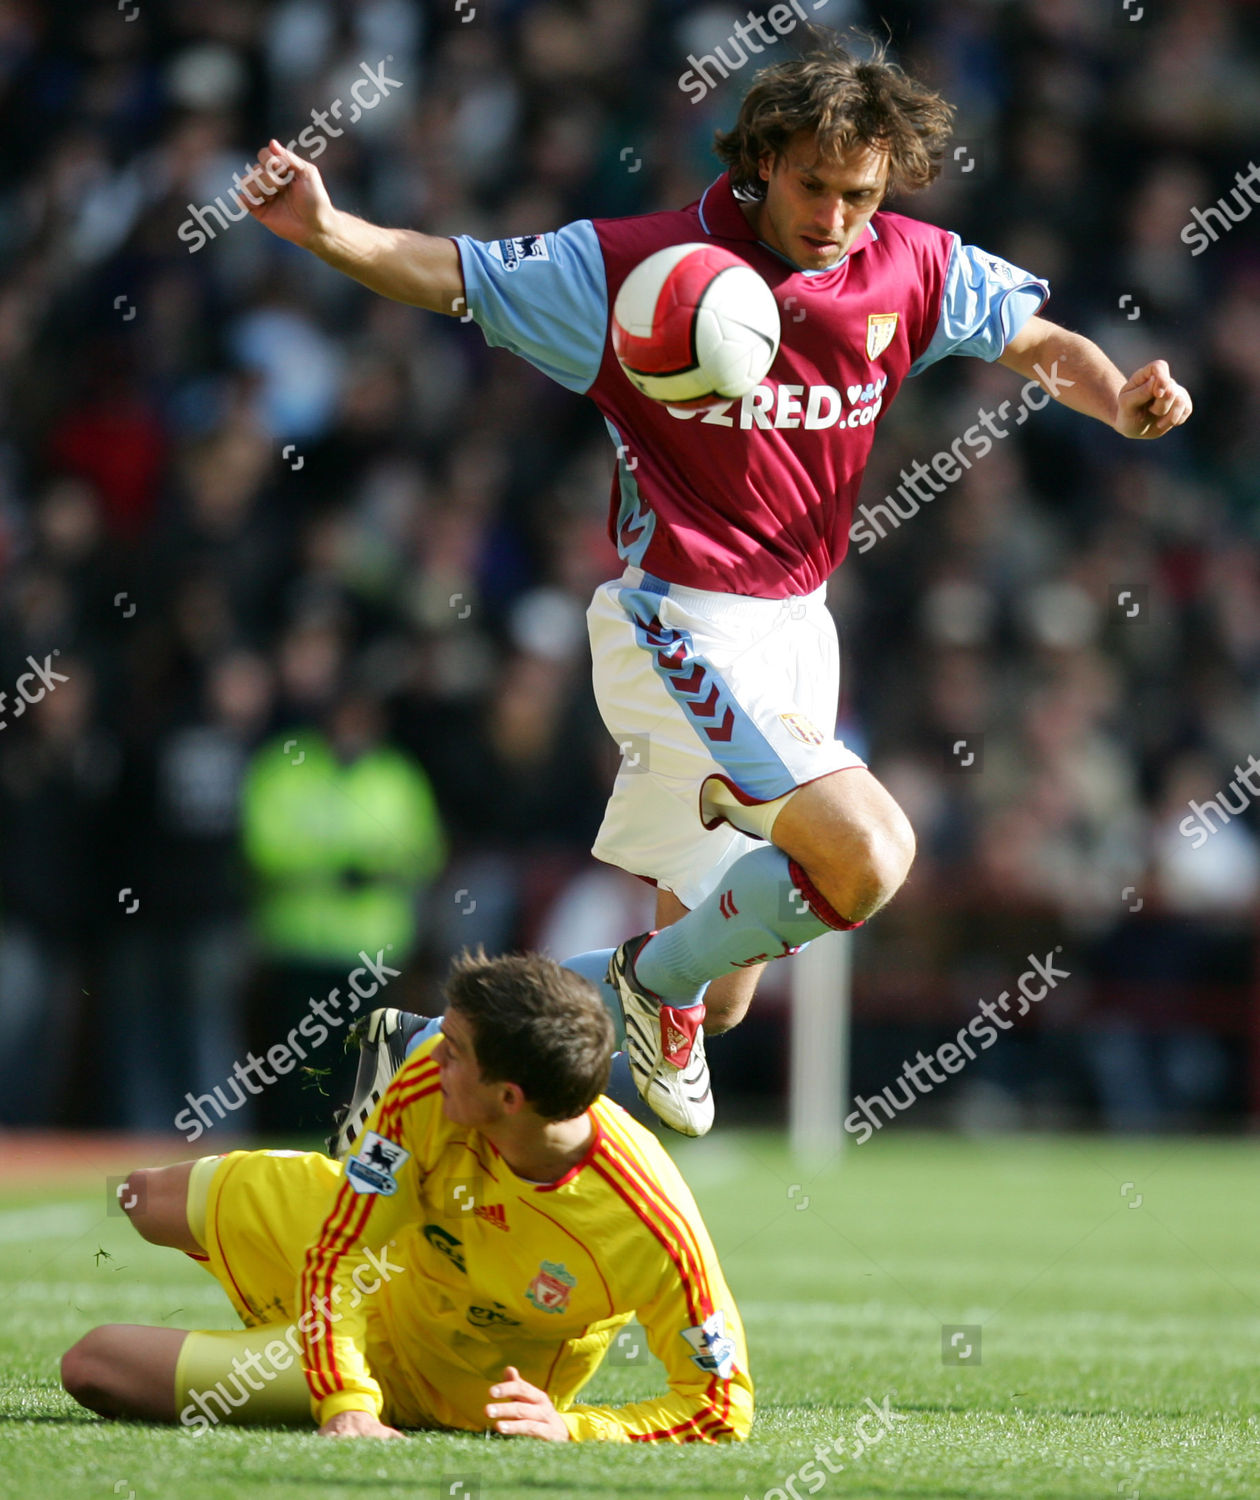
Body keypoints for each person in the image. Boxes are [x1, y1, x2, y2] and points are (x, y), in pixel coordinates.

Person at [234, 30, 1192, 1139]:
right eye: (815, 186)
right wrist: (326, 227)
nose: (836, 217)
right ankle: (649, 990)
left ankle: (432, 1047)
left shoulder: (910, 265)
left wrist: (1118, 394)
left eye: (860, 195)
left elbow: (1039, 344)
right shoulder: (638, 265)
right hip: (677, 618)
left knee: (718, 990)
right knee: (871, 854)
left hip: (798, 632)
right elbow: (458, 271)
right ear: (762, 159)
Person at [60, 951, 752, 1443]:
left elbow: (720, 1406)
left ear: (508, 1099)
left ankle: (293, 1353)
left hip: (429, 1379)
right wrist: (343, 1404)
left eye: (451, 1048)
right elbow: (340, 1249)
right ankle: (287, 1328)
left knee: (91, 1365)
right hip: (378, 1261)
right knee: (141, 1198)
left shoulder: (649, 1221)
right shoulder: (429, 1079)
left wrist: (573, 1427)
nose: (427, 1053)